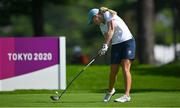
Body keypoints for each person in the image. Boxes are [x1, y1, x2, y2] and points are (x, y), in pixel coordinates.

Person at [88, 7, 136, 103]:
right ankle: (110, 91)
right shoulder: (101, 26)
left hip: (127, 42)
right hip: (116, 45)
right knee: (113, 70)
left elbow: (111, 29)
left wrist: (105, 45)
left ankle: (126, 95)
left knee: (125, 67)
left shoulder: (107, 14)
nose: (93, 22)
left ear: (96, 16)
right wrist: (103, 48)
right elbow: (108, 38)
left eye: (92, 20)